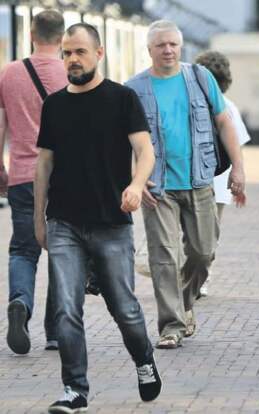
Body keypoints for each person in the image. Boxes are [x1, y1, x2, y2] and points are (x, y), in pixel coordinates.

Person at [33, 23, 161, 412]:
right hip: (64, 223)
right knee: (66, 309)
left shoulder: (122, 99)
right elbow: (44, 165)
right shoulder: (54, 104)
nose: (72, 59)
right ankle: (75, 390)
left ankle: (144, 361)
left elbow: (145, 151)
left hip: (111, 223)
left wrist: (137, 185)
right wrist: (39, 219)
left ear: (99, 53)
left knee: (123, 307)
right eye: (67, 53)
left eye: (80, 52)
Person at [126, 20, 246, 349]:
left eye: (173, 45)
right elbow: (122, 142)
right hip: (157, 187)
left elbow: (224, 121)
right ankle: (171, 326)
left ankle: (183, 301)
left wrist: (238, 168)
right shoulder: (134, 89)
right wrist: (135, 181)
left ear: (181, 47)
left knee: (203, 252)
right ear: (149, 50)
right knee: (164, 257)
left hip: (199, 180)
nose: (168, 50)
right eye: (161, 45)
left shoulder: (199, 78)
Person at [0, 9, 66, 354]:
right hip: (64, 177)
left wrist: (0, 166)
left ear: (31, 34)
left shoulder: (9, 73)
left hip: (23, 175)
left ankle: (21, 303)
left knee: (23, 249)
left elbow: (1, 124)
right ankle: (55, 331)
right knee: (62, 250)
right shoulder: (71, 73)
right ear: (63, 38)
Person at [194, 50, 250, 297]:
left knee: (190, 230)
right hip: (219, 181)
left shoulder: (192, 102)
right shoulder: (230, 107)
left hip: (200, 178)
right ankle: (201, 277)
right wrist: (239, 177)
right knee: (210, 232)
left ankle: (193, 276)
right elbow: (238, 146)